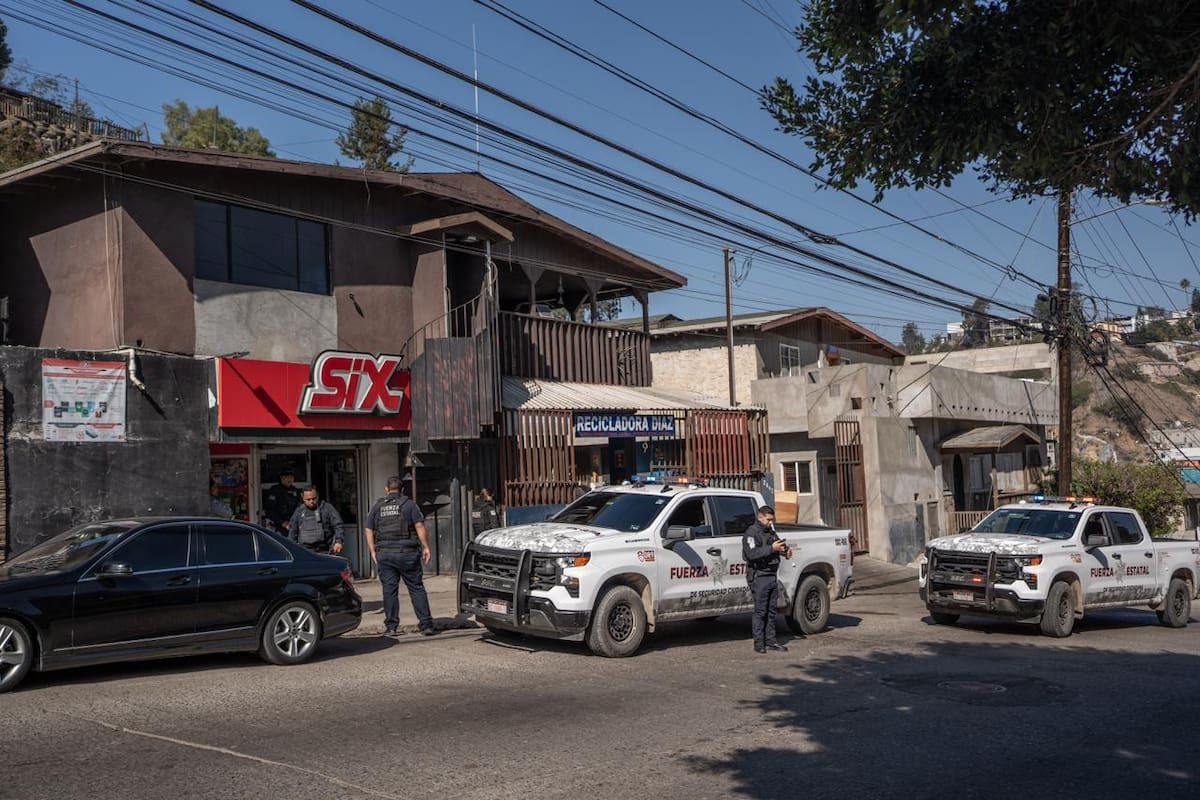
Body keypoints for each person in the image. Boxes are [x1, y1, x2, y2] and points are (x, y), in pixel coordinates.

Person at [365, 476, 434, 638]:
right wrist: (426, 546)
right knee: (416, 588)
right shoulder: (409, 505)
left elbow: (368, 529)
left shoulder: (377, 506)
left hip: (385, 554)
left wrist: (372, 551)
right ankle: (426, 625)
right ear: (402, 490)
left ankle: (391, 627)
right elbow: (419, 525)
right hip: (407, 553)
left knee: (389, 591)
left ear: (386, 489)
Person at [742, 505, 792, 654]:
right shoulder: (751, 533)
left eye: (772, 520)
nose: (770, 523)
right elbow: (752, 554)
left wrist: (785, 551)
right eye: (768, 520)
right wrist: (772, 548)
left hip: (771, 575)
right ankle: (759, 643)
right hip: (759, 575)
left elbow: (778, 546)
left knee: (771, 611)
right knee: (760, 611)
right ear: (760, 517)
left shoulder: (770, 532)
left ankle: (771, 641)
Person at [286, 486, 345, 555]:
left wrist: (338, 541)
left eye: (314, 499)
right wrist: (291, 548)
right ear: (303, 498)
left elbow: (338, 525)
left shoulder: (327, 508)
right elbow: (293, 531)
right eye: (308, 499)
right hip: (305, 551)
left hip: (325, 550)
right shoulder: (299, 511)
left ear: (318, 496)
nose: (311, 501)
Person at [263, 469, 302, 534]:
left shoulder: (295, 491)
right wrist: (282, 522)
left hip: (292, 525)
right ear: (281, 478)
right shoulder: (275, 490)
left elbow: (299, 508)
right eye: (287, 477)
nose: (290, 479)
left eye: (291, 477)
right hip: (278, 526)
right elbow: (269, 510)